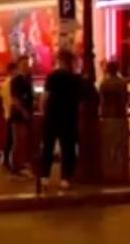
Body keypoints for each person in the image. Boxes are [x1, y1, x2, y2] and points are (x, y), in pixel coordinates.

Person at [41, 50, 82, 190]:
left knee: (48, 146)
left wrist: (42, 111)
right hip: (69, 117)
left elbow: (45, 96)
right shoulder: (75, 78)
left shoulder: (53, 76)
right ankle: (65, 178)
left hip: (52, 116)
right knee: (68, 148)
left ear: (60, 61)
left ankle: (45, 176)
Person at [7, 56, 34, 177]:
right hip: (18, 115)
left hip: (26, 113)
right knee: (19, 140)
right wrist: (23, 112)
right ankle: (16, 167)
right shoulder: (16, 80)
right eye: (23, 63)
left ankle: (21, 164)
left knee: (24, 141)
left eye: (27, 63)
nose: (26, 66)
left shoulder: (28, 79)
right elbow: (15, 99)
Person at [0, 61, 17, 170]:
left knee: (10, 139)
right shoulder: (11, 83)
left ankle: (6, 160)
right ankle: (7, 161)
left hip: (8, 112)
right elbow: (12, 99)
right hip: (12, 113)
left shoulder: (5, 83)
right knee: (12, 139)